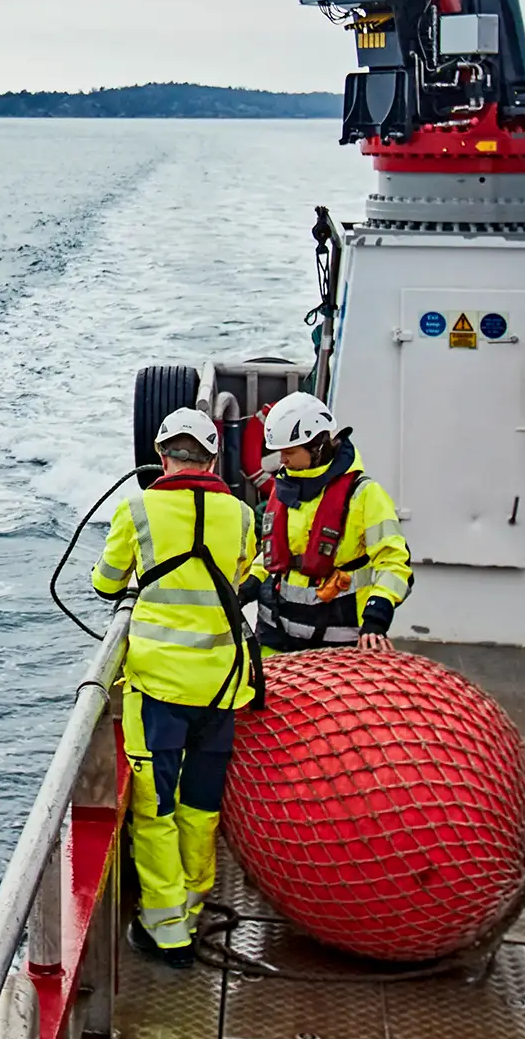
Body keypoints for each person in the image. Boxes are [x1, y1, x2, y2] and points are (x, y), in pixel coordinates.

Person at [92, 408, 258, 969]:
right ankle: (192, 904)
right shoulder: (240, 514)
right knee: (200, 803)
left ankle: (166, 931)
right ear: (213, 460)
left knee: (155, 809)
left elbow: (104, 582)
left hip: (158, 689)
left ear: (163, 456)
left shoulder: (136, 508)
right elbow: (239, 577)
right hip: (221, 687)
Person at [245, 393, 412, 653]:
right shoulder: (285, 486)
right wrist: (251, 584)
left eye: (289, 452)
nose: (282, 461)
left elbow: (394, 563)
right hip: (275, 629)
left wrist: (376, 617)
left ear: (317, 446)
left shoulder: (364, 494)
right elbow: (274, 550)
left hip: (337, 636)